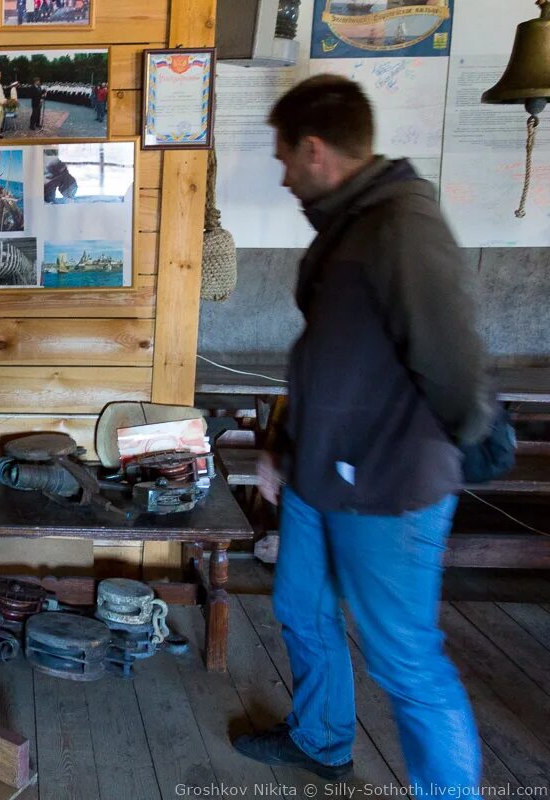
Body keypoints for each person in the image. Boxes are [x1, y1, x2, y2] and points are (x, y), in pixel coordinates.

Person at [233, 74, 490, 791]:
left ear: (315, 150)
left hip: (388, 489)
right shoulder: (354, 222)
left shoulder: (403, 224)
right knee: (300, 608)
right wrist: (283, 448)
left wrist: (467, 438)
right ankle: (320, 736)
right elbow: (330, 356)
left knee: (405, 661)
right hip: (322, 473)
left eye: (284, 157)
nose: (282, 174)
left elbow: (456, 364)